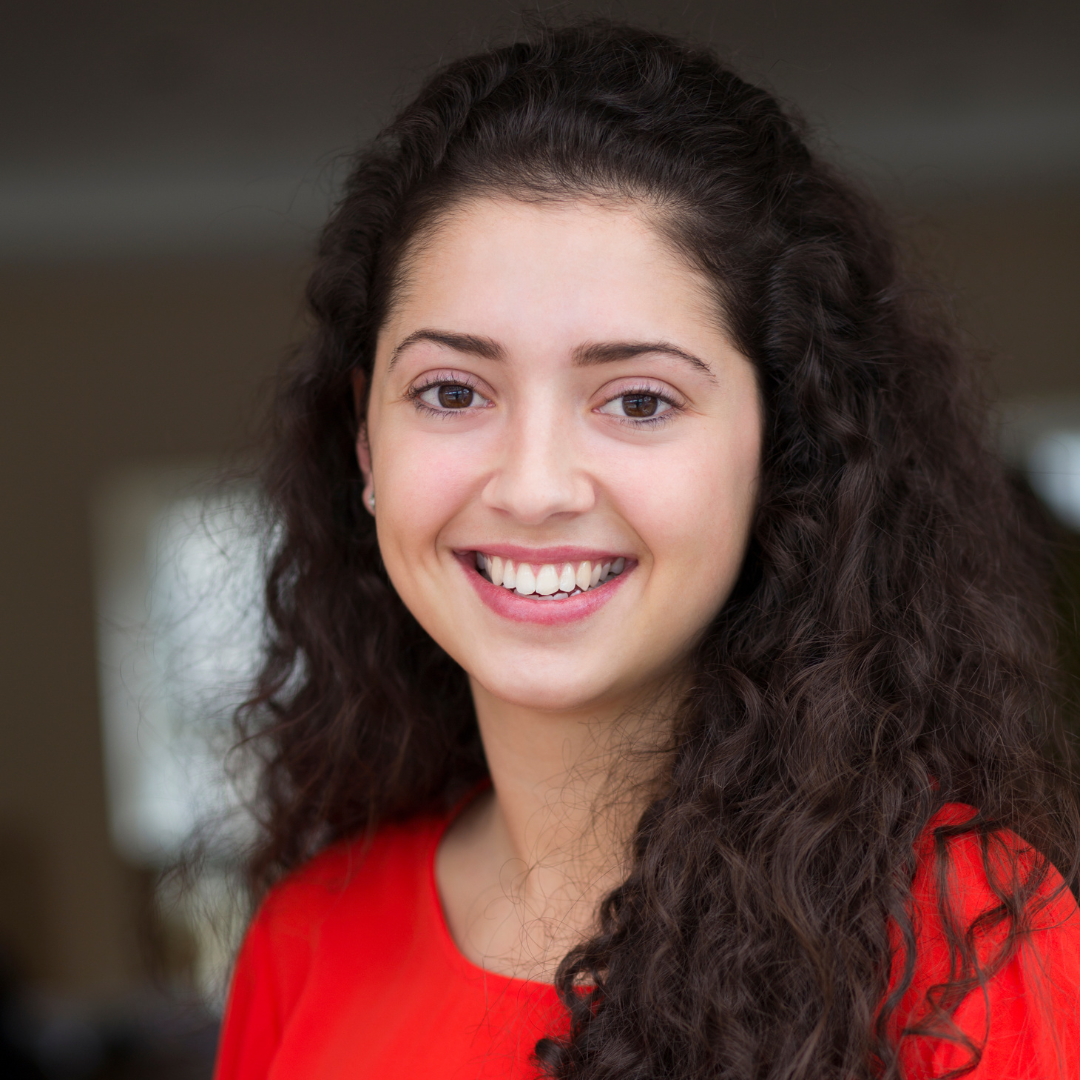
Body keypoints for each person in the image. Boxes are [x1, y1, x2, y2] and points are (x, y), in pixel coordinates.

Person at [212, 21, 1080, 1080]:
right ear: (366, 441)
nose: (533, 488)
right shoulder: (307, 942)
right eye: (451, 392)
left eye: (637, 399)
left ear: (780, 449)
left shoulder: (969, 940)